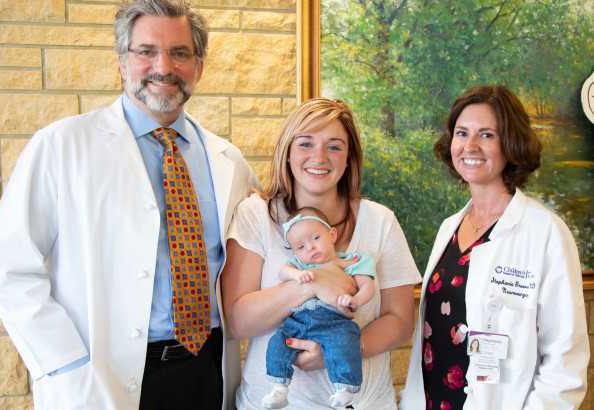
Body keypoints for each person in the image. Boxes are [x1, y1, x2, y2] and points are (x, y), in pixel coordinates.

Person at [0, 1, 254, 409]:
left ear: (198, 66)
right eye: (146, 51)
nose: (163, 67)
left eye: (180, 53)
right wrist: (65, 364)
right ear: (123, 62)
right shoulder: (61, 146)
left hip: (207, 371)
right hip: (99, 377)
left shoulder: (228, 160)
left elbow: (259, 260)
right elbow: (9, 267)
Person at [221, 97, 421, 410]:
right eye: (305, 143)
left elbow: (401, 321)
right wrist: (312, 283)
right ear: (287, 152)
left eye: (334, 146)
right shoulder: (256, 214)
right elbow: (237, 321)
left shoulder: (380, 220)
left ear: (349, 158)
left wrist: (338, 351)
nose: (319, 157)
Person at [400, 85, 589, 410]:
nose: (470, 146)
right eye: (462, 133)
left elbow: (565, 359)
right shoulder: (449, 228)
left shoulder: (545, 232)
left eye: (486, 135)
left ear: (511, 144)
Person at [263, 207, 376, 409]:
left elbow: (367, 286)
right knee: (277, 342)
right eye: (300, 247)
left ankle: (345, 388)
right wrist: (296, 275)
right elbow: (283, 271)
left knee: (345, 343)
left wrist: (356, 300)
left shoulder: (352, 261)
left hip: (334, 319)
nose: (310, 248)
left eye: (316, 238)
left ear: (332, 234)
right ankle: (279, 387)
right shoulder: (299, 265)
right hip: (298, 320)